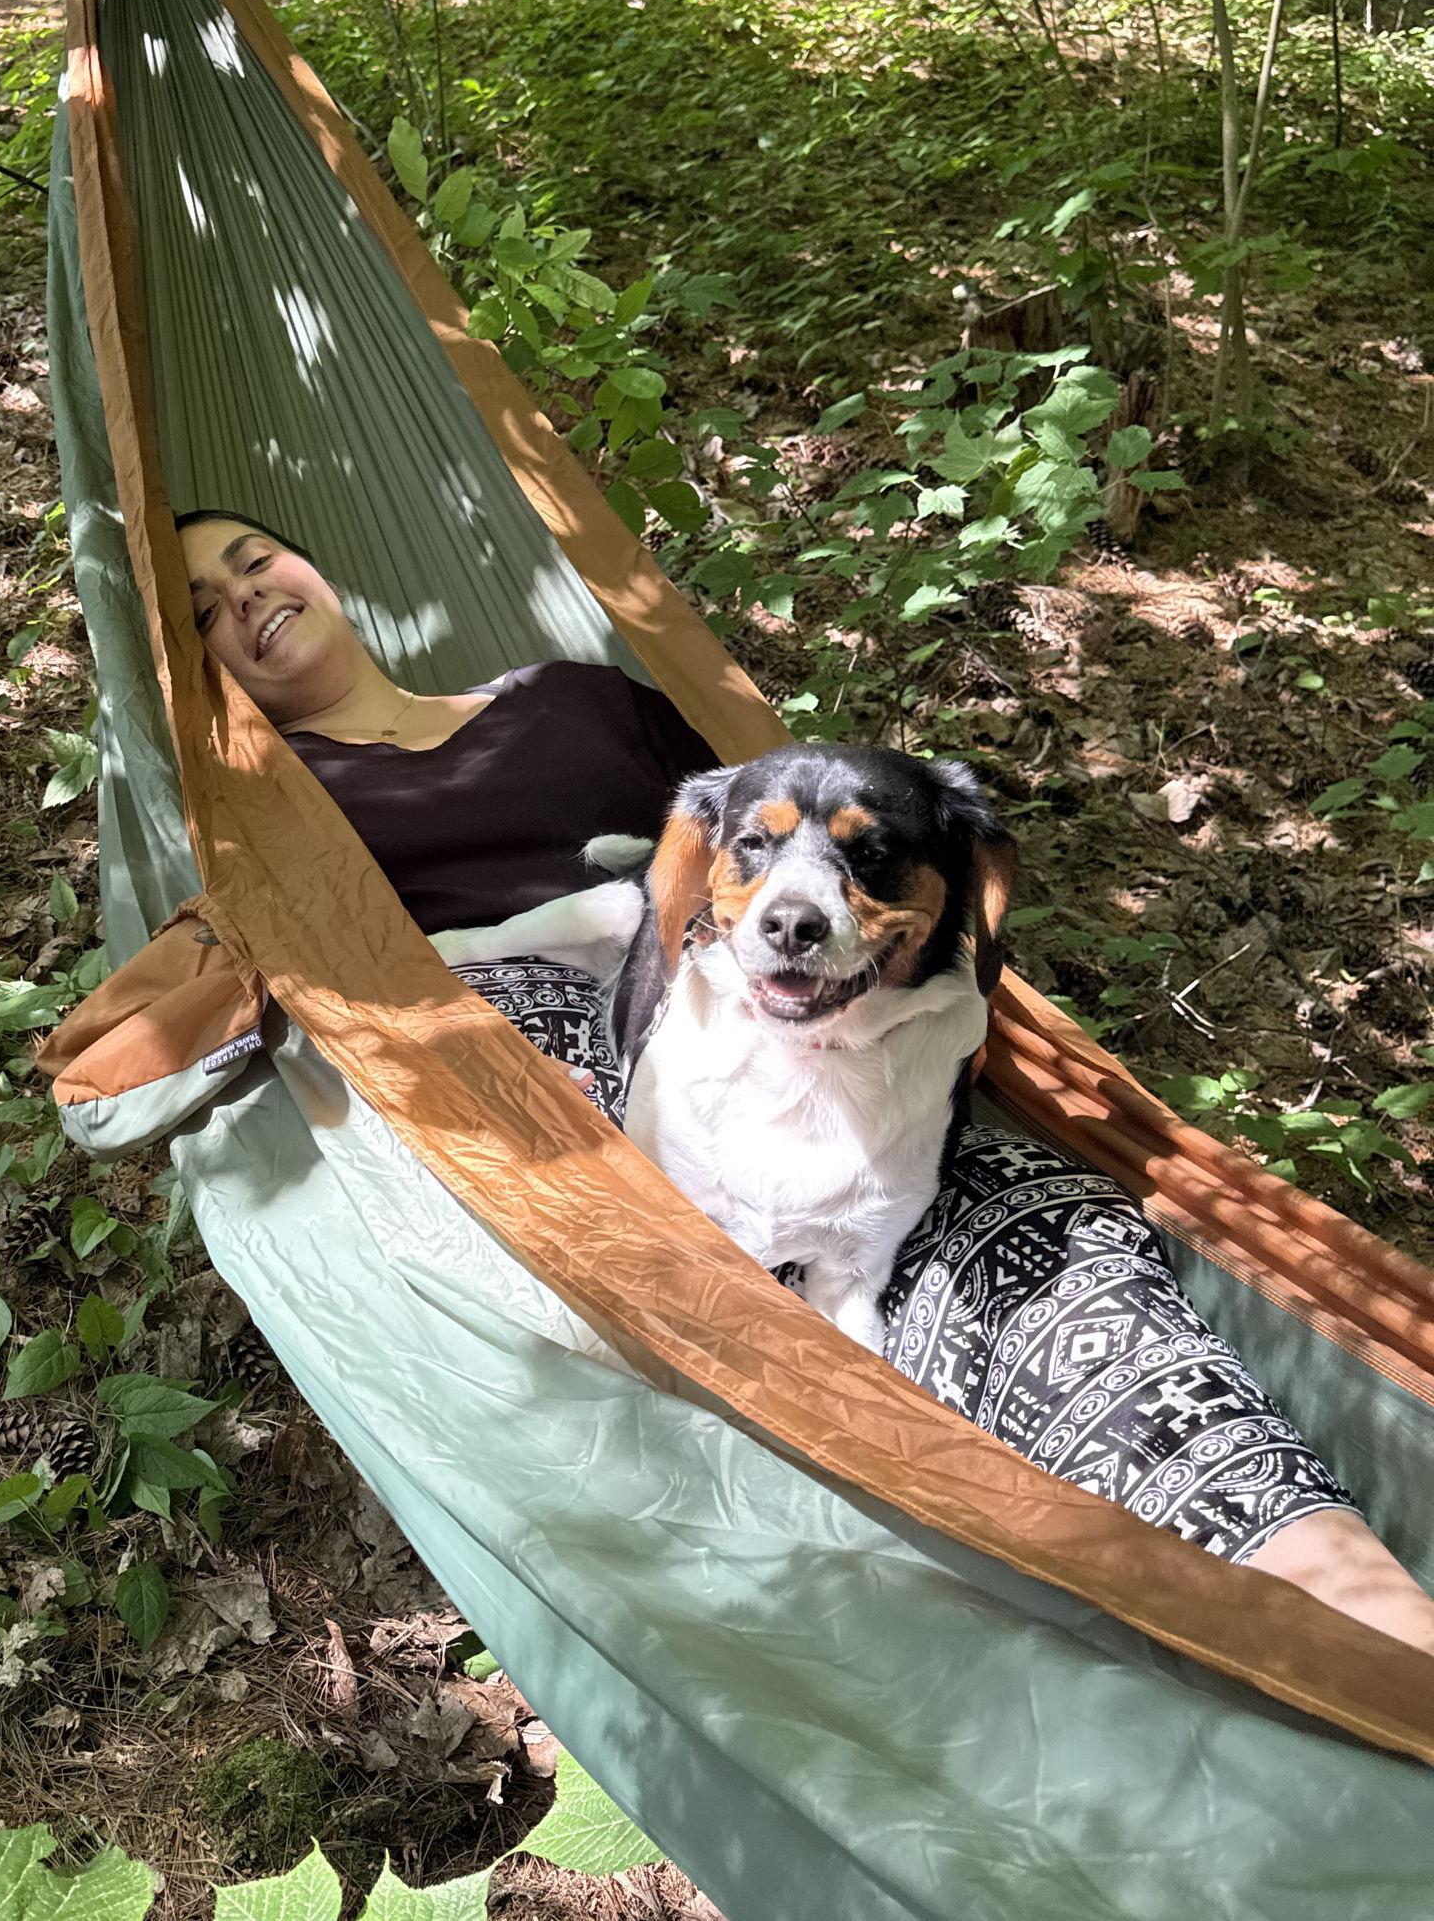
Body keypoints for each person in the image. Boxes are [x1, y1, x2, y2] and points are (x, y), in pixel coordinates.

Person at [178, 507, 1434, 1655]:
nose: (246, 596)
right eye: (199, 610)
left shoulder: (574, 696)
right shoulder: (275, 807)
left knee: (1042, 1231)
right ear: (199, 678)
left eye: (254, 560)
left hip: (791, 1011)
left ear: (314, 561)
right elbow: (261, 976)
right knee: (633, 1210)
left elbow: (804, 826)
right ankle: (909, 1559)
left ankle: (1358, 1623)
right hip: (524, 1037)